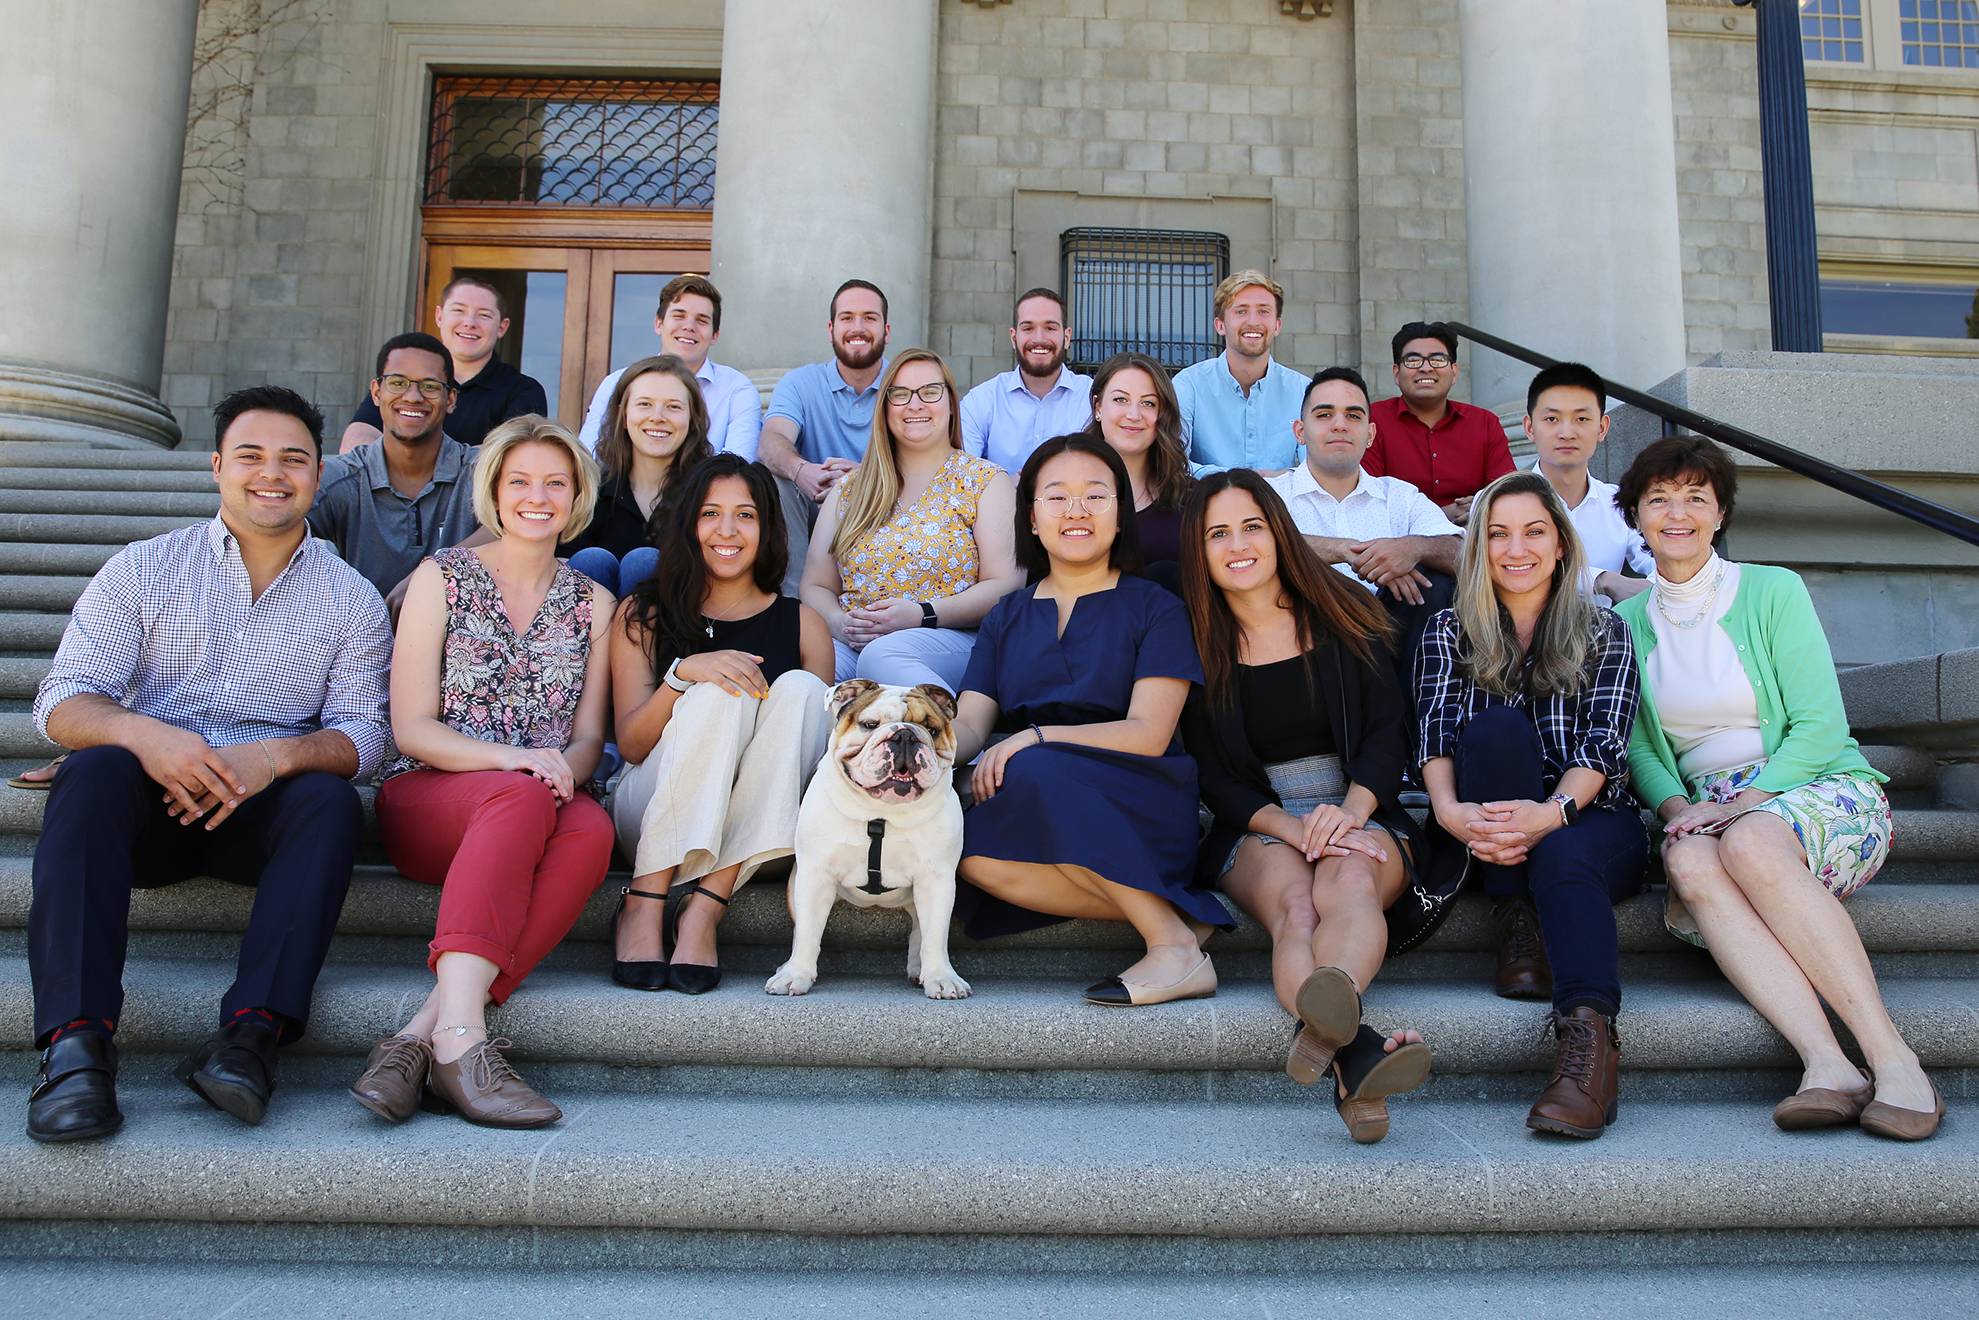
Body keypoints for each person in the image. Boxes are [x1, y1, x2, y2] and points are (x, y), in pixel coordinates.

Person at [25, 386, 392, 1144]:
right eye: (251, 456)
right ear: (218, 466)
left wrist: (273, 757)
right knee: (90, 771)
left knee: (328, 801)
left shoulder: (351, 599)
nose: (271, 474)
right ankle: (77, 1051)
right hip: (148, 808)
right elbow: (62, 700)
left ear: (318, 475)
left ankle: (249, 1039)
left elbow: (366, 735)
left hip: (255, 818)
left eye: (292, 459)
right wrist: (148, 738)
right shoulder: (144, 568)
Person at [1614, 435, 1942, 1140]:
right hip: (1708, 803)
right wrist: (1678, 811)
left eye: (1694, 498)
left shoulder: (1771, 589)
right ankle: (1827, 1064)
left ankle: (1892, 1058)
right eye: (1658, 499)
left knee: (1752, 844)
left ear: (1720, 512)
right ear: (1634, 516)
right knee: (1686, 859)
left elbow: (1821, 725)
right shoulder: (1624, 624)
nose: (1677, 513)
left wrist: (1741, 805)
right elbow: (1639, 743)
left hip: (1815, 786)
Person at [350, 416, 615, 1130]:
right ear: (493, 493)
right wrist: (517, 761)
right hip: (429, 798)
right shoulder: (442, 578)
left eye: (554, 482)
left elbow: (588, 735)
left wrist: (561, 770)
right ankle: (465, 1042)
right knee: (520, 796)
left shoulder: (594, 602)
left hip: (537, 800)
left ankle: (420, 1035)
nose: (537, 495)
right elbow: (411, 728)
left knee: (590, 829)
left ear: (576, 496)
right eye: (519, 480)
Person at [1177, 470, 1432, 1143]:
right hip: (1257, 821)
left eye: (1252, 526)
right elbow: (1212, 776)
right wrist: (1289, 826)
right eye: (1218, 533)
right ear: (1198, 552)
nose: (1238, 545)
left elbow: (1388, 730)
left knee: (1346, 880)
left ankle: (1334, 1018)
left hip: (1361, 802)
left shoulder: (1342, 606)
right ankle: (1357, 1047)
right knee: (1296, 907)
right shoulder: (1194, 640)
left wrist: (1348, 811)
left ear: (1278, 532)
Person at [951, 434, 1227, 1006]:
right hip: (1033, 794)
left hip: (1139, 793)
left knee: (1035, 769)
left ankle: (1171, 948)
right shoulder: (1006, 614)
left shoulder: (1156, 606)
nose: (1076, 511)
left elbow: (1149, 733)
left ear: (1120, 516)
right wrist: (915, 751)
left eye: (1095, 496)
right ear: (1031, 517)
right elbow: (973, 726)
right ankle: (1175, 914)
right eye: (1057, 497)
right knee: (959, 846)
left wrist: (1034, 738)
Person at [1414, 470, 1646, 1140]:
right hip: (1480, 825)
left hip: (1593, 819)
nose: (1516, 548)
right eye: (1498, 533)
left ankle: (1588, 1047)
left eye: (1533, 531)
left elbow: (1603, 745)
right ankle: (1518, 917)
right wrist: (1449, 812)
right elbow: (1432, 731)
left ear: (1560, 544)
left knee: (1566, 852)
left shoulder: (1603, 630)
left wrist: (1552, 815)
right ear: (1479, 546)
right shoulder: (1445, 630)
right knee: (1491, 730)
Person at [605, 455, 834, 994]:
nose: (726, 531)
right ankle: (645, 898)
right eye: (710, 513)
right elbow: (634, 745)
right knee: (716, 693)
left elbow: (817, 765)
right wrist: (683, 677)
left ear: (768, 528)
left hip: (758, 832)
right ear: (689, 524)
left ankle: (706, 907)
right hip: (650, 816)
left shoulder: (804, 624)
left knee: (802, 689)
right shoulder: (645, 613)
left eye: (745, 516)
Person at [799, 349, 1022, 693]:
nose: (914, 404)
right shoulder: (851, 489)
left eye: (930, 392)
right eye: (900, 394)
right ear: (885, 408)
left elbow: (1005, 584)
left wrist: (922, 613)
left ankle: (958, 742)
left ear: (950, 403)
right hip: (854, 643)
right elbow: (815, 585)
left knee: (883, 657)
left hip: (951, 640)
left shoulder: (985, 481)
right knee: (802, 681)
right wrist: (839, 623)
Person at [1263, 367, 1461, 684]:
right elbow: (1257, 548)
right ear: (1300, 431)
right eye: (1324, 415)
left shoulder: (1400, 496)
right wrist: (1347, 552)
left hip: (1391, 646)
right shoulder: (1271, 497)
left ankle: (1416, 722)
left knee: (1433, 580)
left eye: (1353, 416)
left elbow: (1462, 555)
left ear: (1370, 434)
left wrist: (1413, 549)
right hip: (1302, 645)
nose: (1340, 425)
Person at [310, 332, 480, 602]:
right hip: (365, 638)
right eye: (398, 383)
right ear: (377, 392)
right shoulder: (345, 478)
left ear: (451, 399)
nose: (412, 397)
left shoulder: (479, 470)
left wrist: (434, 573)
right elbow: (275, 530)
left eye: (430, 386)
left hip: (461, 641)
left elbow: (523, 523)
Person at [759, 279, 892, 592]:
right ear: (831, 328)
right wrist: (802, 470)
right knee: (778, 477)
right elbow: (771, 440)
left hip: (886, 507)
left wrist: (864, 478)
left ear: (886, 330)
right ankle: (796, 603)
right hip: (816, 508)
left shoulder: (903, 384)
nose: (857, 327)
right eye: (847, 318)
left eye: (869, 318)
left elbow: (935, 461)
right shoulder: (801, 383)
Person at [339, 275, 547, 452]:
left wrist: (413, 461)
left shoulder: (524, 391)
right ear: (439, 316)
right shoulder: (399, 379)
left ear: (502, 327)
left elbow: (511, 456)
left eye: (484, 315)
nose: (469, 323)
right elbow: (357, 440)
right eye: (458, 310)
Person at [562, 354, 713, 595]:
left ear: (692, 418)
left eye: (673, 407)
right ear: (623, 416)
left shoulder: (710, 492)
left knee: (644, 563)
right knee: (591, 561)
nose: (658, 417)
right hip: (595, 624)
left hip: (681, 624)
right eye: (644, 404)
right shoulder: (590, 491)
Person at [577, 274, 762, 460]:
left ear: (715, 335)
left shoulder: (737, 389)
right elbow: (587, 459)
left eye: (702, 320)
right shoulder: (615, 383)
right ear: (659, 324)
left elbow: (739, 464)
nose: (689, 326)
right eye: (679, 316)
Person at [1521, 362, 1652, 605]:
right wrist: (1602, 580)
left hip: (1606, 638)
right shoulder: (1497, 502)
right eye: (1551, 419)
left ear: (1602, 428)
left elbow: (1658, 554)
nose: (1567, 432)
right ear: (1530, 428)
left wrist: (1657, 585)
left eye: (1581, 418)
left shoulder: (1619, 502)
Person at [1364, 321, 1513, 527]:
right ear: (1397, 373)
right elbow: (1367, 503)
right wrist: (1442, 515)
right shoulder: (1372, 420)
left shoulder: (1485, 423)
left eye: (1437, 359)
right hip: (1396, 544)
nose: (1426, 368)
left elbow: (1507, 493)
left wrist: (1481, 507)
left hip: (1472, 541)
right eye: (1413, 360)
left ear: (1454, 372)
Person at [1171, 270, 1307, 472]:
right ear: (1220, 325)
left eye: (1264, 311)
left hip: (1279, 503)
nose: (1253, 321)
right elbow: (1174, 464)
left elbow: (1315, 470)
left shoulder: (1304, 390)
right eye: (1241, 311)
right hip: (1205, 501)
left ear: (1277, 325)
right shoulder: (1188, 385)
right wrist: (1249, 481)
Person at [1082, 351, 1194, 584]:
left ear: (1162, 414)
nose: (1134, 415)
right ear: (1098, 407)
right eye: (1120, 400)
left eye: (1148, 403)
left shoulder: (1191, 499)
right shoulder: (1064, 494)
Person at [959, 287, 1093, 474]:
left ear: (1067, 337)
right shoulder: (980, 401)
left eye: (1050, 328)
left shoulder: (1092, 398)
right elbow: (962, 474)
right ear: (1014, 338)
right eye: (1028, 328)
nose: (1039, 339)